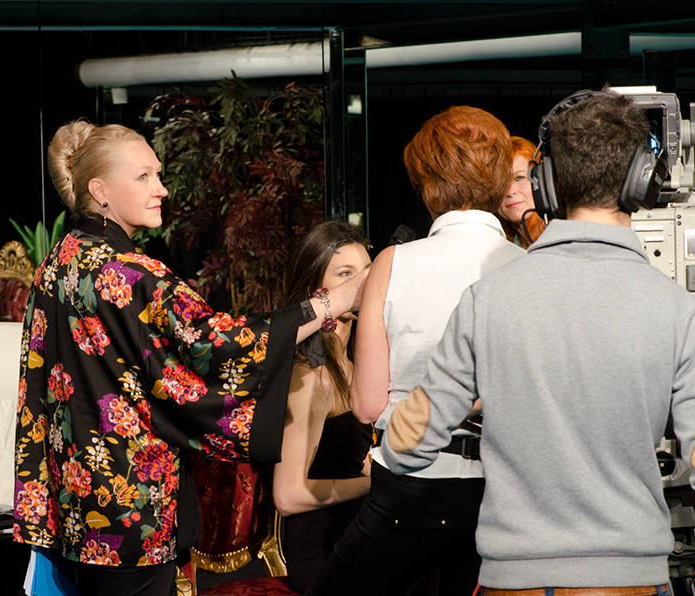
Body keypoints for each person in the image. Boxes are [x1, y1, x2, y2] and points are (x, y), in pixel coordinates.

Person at [13, 121, 367, 595]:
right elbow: (220, 345)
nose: (160, 189)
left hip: (76, 506)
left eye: (157, 174)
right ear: (100, 191)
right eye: (143, 177)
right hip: (132, 511)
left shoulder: (59, 262)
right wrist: (333, 301)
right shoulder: (129, 273)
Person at [378, 91, 691, 593]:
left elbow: (406, 445)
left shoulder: (486, 299)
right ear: (642, 180)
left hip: (515, 578)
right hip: (634, 577)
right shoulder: (676, 309)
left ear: (546, 183)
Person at [308, 106, 525, 596]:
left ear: (426, 183)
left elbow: (367, 405)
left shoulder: (394, 262)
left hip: (409, 483)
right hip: (500, 491)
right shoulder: (528, 266)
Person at [272, 220, 373, 593]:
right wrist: (373, 483)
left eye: (368, 271)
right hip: (323, 554)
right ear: (316, 292)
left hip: (355, 532)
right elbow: (288, 496)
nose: (364, 282)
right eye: (346, 273)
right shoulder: (310, 376)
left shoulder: (355, 360)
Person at [497, 136, 547, 248]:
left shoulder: (562, 234)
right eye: (502, 183)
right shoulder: (498, 245)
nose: (510, 191)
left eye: (519, 178)